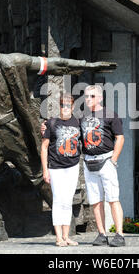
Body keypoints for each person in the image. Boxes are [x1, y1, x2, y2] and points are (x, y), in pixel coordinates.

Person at [0, 20, 117, 243]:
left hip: (16, 133)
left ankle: (65, 224)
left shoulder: (12, 62)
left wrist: (88, 65)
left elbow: (54, 64)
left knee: (40, 181)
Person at [42, 84, 126, 247]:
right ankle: (101, 234)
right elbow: (65, 125)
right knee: (95, 200)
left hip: (106, 159)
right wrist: (45, 126)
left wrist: (114, 159)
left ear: (100, 97)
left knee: (113, 198)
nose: (88, 99)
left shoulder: (111, 115)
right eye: (86, 96)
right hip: (89, 161)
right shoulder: (81, 118)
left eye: (92, 96)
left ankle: (119, 234)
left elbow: (120, 137)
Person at [41, 94, 81, 247]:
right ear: (59, 106)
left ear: (72, 107)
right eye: (62, 105)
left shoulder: (78, 122)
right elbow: (44, 147)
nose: (65, 108)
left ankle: (66, 236)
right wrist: (45, 170)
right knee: (58, 201)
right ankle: (58, 237)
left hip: (73, 166)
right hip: (56, 167)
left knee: (68, 200)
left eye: (67, 105)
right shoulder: (51, 123)